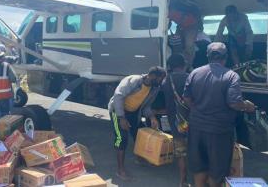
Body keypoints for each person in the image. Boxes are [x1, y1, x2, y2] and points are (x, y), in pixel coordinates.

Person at [183, 42, 255, 187]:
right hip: (219, 131)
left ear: (208, 56)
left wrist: (199, 109)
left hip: (196, 127)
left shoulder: (195, 72)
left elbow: (186, 98)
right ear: (226, 57)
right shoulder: (231, 76)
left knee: (199, 166)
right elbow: (234, 103)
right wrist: (248, 106)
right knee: (217, 171)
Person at [108, 66, 166, 181]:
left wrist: (152, 117)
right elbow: (118, 96)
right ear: (153, 76)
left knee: (140, 135)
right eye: (161, 78)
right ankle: (120, 170)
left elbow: (146, 106)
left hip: (134, 113)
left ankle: (139, 158)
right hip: (118, 111)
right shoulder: (133, 80)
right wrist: (121, 117)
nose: (161, 82)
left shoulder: (154, 88)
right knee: (122, 138)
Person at [162, 54, 190, 186]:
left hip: (176, 121)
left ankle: (182, 180)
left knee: (181, 152)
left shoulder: (166, 80)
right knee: (196, 149)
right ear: (183, 64)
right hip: (193, 120)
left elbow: (166, 103)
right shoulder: (190, 77)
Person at [168, 0, 201, 71]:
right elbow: (168, 23)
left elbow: (197, 18)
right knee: (177, 44)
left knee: (189, 45)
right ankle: (178, 64)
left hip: (191, 26)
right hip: (180, 26)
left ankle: (188, 66)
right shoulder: (169, 13)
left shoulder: (187, 10)